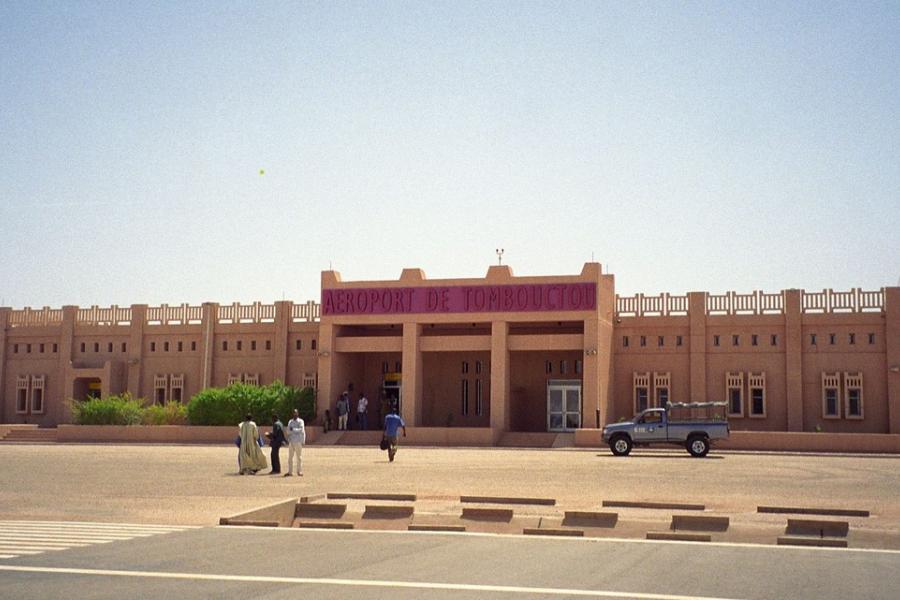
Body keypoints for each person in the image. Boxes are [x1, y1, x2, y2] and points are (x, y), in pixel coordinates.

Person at [285, 408, 306, 477]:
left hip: (298, 441)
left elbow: (301, 430)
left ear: (298, 414)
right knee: (290, 457)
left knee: (299, 457)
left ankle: (299, 471)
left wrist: (293, 429)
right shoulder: (290, 421)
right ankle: (290, 471)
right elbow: (288, 431)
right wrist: (292, 431)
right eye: (293, 413)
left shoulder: (300, 421)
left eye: (296, 413)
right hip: (291, 441)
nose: (294, 414)